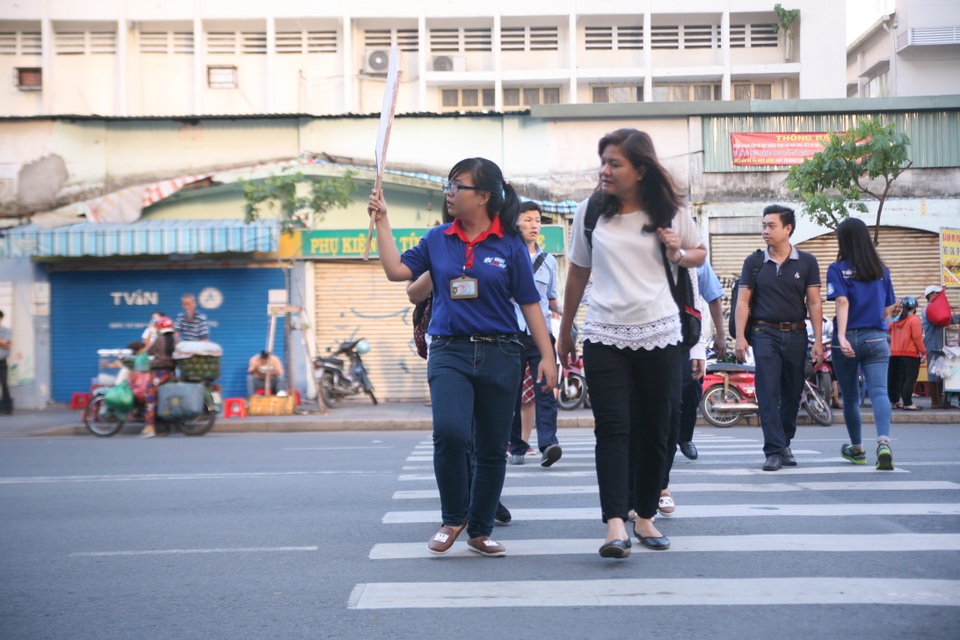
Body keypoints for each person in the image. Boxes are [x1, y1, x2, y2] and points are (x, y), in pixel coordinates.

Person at [369, 157, 556, 558]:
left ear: (484, 196)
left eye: (458, 186)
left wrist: (547, 355)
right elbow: (396, 271)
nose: (449, 193)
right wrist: (382, 221)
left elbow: (530, 302)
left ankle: (480, 529)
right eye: (448, 186)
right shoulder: (437, 238)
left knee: (492, 447)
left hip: (502, 352)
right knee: (450, 434)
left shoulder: (509, 245)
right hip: (449, 350)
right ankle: (453, 517)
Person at [558, 128, 706, 559]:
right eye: (602, 161)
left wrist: (678, 252)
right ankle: (614, 524)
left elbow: (699, 253)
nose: (604, 170)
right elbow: (578, 273)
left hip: (661, 333)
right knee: (613, 429)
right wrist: (566, 329)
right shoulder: (590, 213)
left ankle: (644, 515)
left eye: (614, 163)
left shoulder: (669, 211)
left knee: (657, 428)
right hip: (604, 334)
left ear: (640, 169)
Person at [734, 205, 822, 472]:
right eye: (763, 226)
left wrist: (818, 340)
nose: (765, 231)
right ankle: (773, 450)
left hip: (796, 333)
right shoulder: (754, 262)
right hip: (764, 334)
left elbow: (815, 302)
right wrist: (740, 336)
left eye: (771, 226)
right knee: (768, 392)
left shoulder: (807, 261)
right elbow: (742, 301)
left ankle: (784, 441)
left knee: (793, 394)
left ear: (788, 229)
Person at [826, 217, 898, 470]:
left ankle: (857, 449)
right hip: (876, 337)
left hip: (847, 339)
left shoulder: (837, 269)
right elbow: (889, 307)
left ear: (843, 240)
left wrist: (843, 336)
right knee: (879, 392)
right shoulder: (881, 270)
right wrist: (880, 317)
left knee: (851, 398)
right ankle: (884, 443)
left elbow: (842, 302)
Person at [507, 201, 563, 468]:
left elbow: (551, 300)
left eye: (537, 220)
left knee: (546, 387)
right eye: (527, 219)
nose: (533, 225)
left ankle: (548, 444)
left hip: (540, 334)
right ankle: (516, 445)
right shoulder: (505, 254)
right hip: (510, 332)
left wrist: (568, 318)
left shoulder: (549, 261)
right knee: (510, 392)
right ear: (516, 222)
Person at [922, 285, 960, 409]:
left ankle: (943, 401)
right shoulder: (929, 309)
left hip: (939, 345)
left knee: (942, 374)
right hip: (933, 345)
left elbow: (947, 319)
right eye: (937, 294)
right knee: (934, 374)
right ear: (932, 295)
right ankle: (935, 402)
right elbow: (944, 319)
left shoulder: (934, 308)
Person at [140, 316, 178, 438]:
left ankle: (149, 427)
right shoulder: (176, 340)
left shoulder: (159, 340)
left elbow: (149, 351)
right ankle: (168, 426)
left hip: (159, 373)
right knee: (167, 398)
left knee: (150, 397)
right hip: (172, 373)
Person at [888, 296, 926, 412]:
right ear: (915, 308)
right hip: (910, 354)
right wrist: (923, 352)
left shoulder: (896, 320)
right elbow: (917, 338)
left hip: (895, 353)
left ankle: (897, 402)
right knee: (909, 379)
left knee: (899, 379)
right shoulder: (914, 319)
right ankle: (908, 403)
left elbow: (888, 329)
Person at [0, 309, 11, 415]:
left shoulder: (7, 330)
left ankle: (7, 408)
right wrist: (2, 342)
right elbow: (3, 343)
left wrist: (4, 343)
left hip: (2, 362)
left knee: (4, 385)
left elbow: (7, 343)